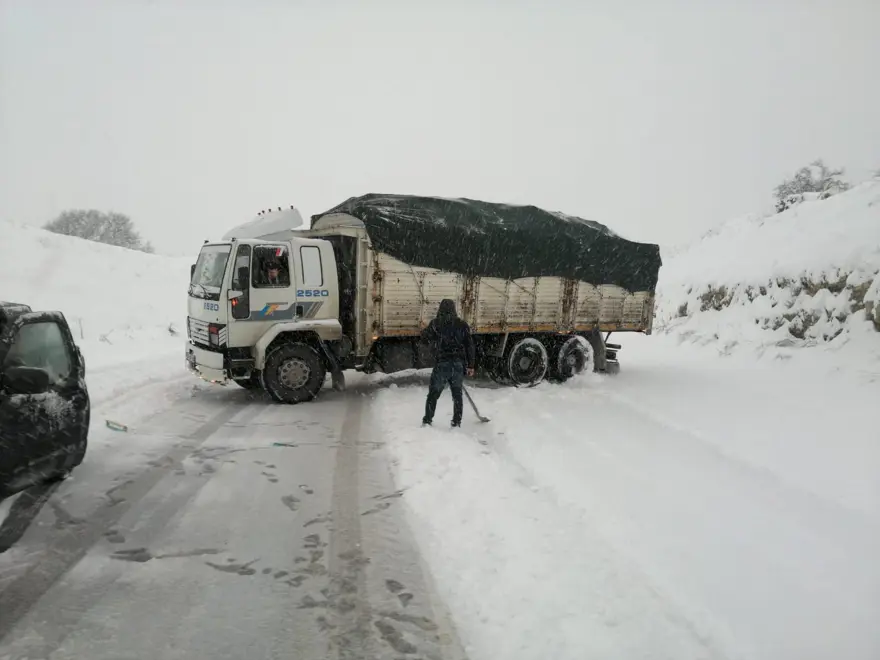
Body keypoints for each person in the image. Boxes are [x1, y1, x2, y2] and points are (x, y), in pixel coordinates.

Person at [421, 299, 476, 427]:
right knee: (457, 395)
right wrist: (471, 365)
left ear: (440, 309)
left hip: (442, 364)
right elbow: (470, 346)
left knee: (433, 393)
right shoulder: (462, 325)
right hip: (457, 364)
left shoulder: (436, 324)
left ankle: (427, 420)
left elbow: (425, 339)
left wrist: (425, 331)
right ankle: (456, 422)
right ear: (454, 309)